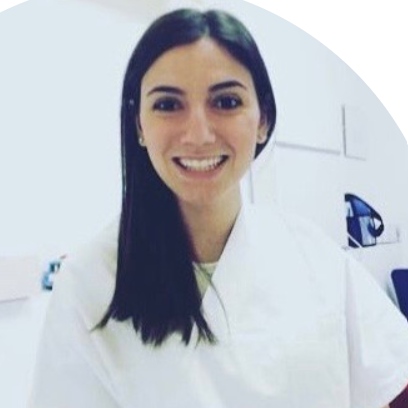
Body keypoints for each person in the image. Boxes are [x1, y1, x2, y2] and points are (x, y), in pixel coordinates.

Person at [28, 8, 408, 408]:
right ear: (139, 124)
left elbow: (394, 378)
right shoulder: (89, 284)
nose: (198, 134)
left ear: (263, 120)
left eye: (226, 101)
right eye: (168, 105)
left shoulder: (319, 261)